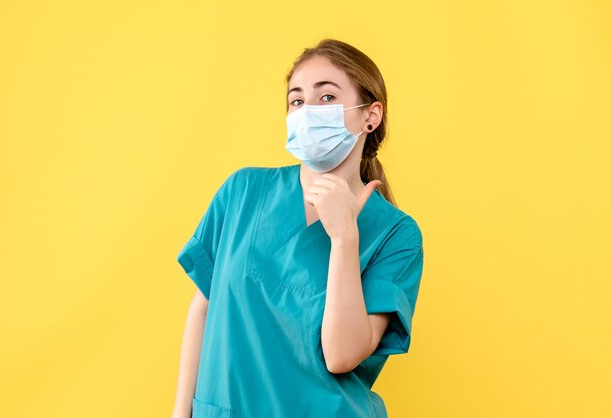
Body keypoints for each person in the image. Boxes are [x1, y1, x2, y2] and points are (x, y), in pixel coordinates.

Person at [171, 38, 424, 418]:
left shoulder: (396, 235)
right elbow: (203, 311)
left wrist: (343, 238)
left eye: (326, 98)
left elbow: (341, 356)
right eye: (297, 100)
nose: (308, 112)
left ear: (370, 116)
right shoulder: (242, 192)